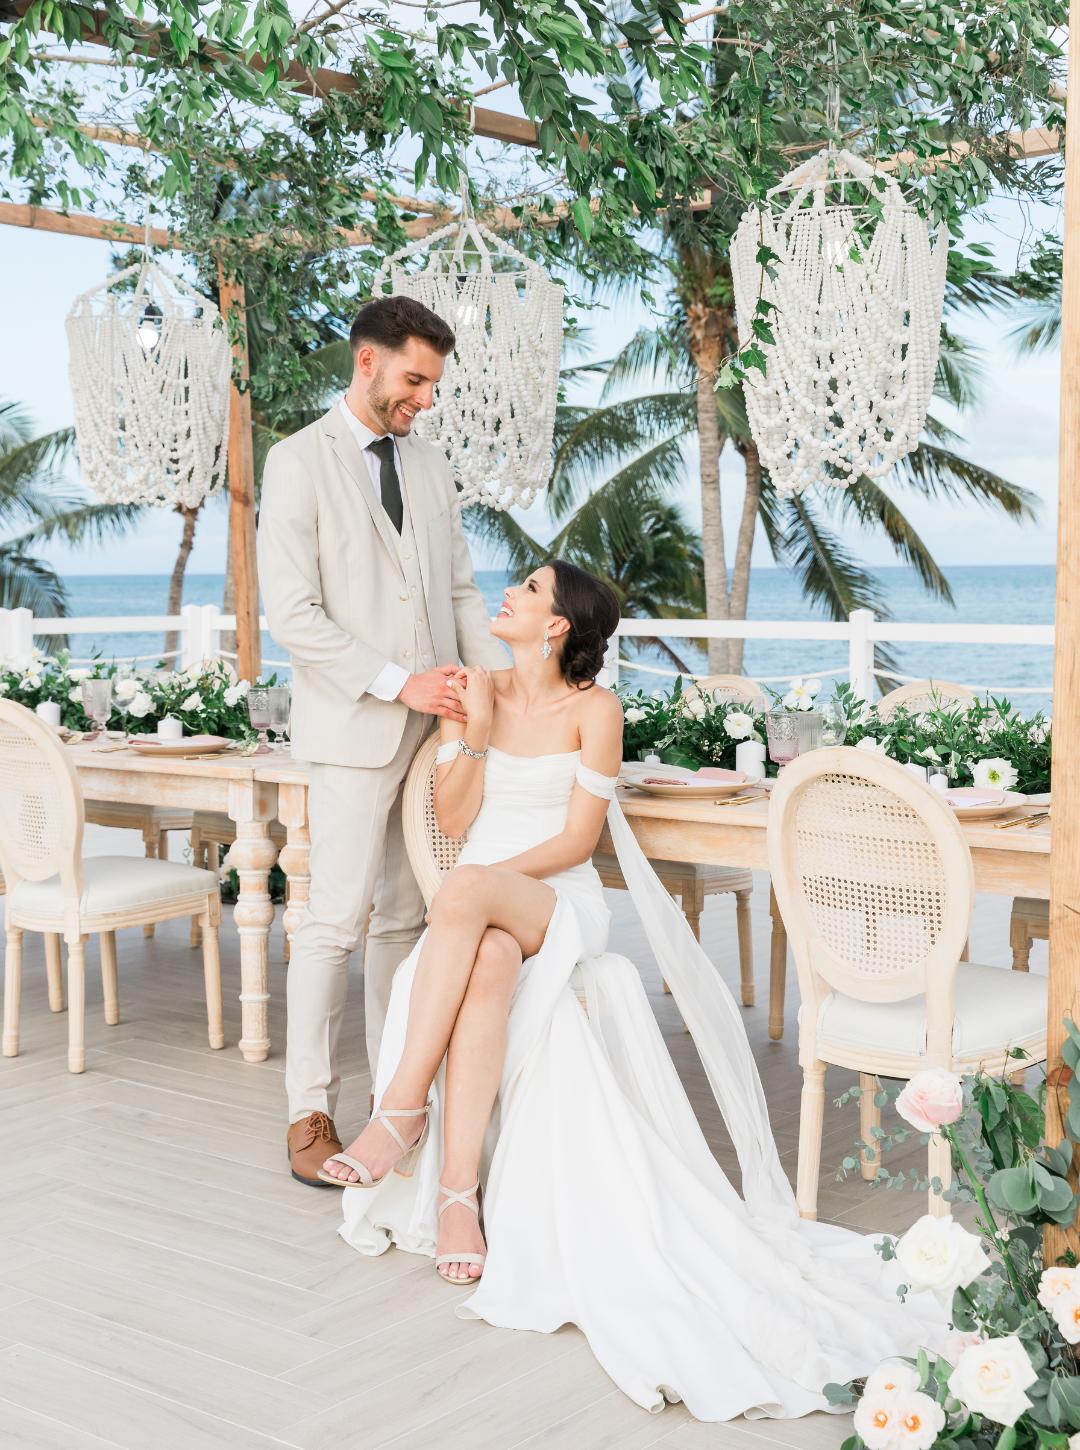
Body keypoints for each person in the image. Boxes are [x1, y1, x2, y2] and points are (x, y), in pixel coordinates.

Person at [320, 559, 947, 1423]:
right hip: (490, 908)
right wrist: (475, 729)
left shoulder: (596, 711)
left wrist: (485, 880)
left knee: (467, 894)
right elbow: (456, 818)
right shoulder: (484, 687)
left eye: (530, 591)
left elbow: (578, 841)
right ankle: (459, 1198)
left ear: (559, 626)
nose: (509, 594)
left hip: (554, 897)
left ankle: (398, 1113)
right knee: (489, 959)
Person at [257, 295, 507, 1188]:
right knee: (334, 921)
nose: (425, 401)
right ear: (366, 362)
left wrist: (498, 692)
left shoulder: (430, 463)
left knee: (411, 917)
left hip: (436, 736)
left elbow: (464, 594)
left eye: (433, 385)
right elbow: (291, 614)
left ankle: (394, 1108)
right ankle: (308, 1111)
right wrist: (401, 680)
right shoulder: (297, 463)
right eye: (414, 381)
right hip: (355, 729)